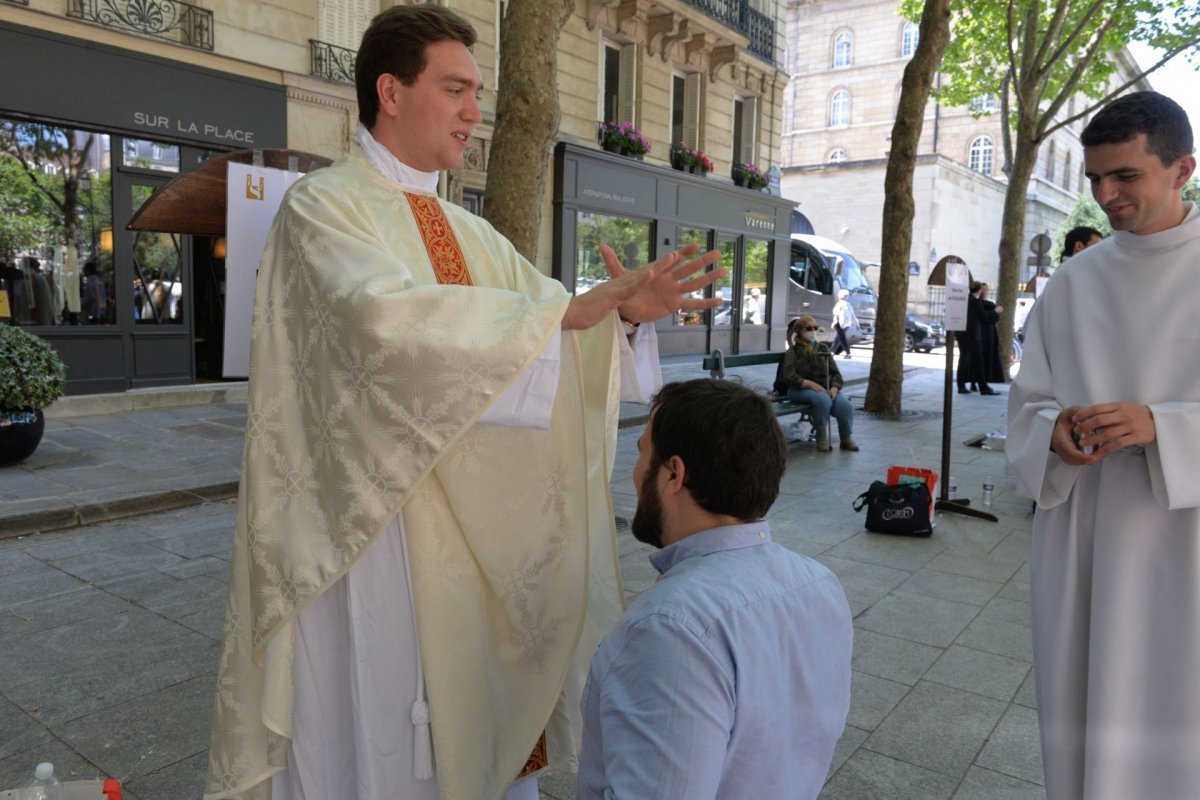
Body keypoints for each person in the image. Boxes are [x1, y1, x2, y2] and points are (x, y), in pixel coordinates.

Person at [204, 7, 724, 800]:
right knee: (375, 719)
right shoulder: (322, 207)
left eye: (477, 92)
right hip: (374, 531)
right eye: (455, 89)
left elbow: (552, 322)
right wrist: (563, 314)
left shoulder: (467, 230)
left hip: (472, 541)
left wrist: (616, 313)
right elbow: (378, 327)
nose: (474, 112)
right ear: (389, 91)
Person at [1007, 90, 1200, 800]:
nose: (1104, 195)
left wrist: (1164, 425)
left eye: (1125, 177)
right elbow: (1026, 405)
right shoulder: (1072, 282)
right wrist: (1052, 433)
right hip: (1083, 540)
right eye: (1094, 179)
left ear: (1183, 169)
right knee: (1085, 725)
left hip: (1184, 551)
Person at [576, 378, 852, 800]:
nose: (632, 475)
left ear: (673, 473)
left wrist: (677, 605)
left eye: (641, 453)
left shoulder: (670, 629)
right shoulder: (818, 582)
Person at [780, 314, 857, 451]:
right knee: (822, 399)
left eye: (815, 328)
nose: (813, 331)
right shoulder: (793, 351)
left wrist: (834, 388)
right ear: (800, 331)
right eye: (809, 328)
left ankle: (846, 438)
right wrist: (809, 383)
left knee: (845, 405)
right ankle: (821, 436)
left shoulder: (822, 349)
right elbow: (789, 375)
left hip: (824, 388)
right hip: (799, 389)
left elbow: (836, 374)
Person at [973, 282, 1003, 389]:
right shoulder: (977, 303)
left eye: (986, 290)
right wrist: (994, 312)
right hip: (980, 333)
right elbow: (986, 316)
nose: (984, 292)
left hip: (989, 334)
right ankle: (976, 382)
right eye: (982, 289)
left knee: (986, 357)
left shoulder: (989, 304)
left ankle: (982, 381)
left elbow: (994, 319)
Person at [830, 287, 857, 358]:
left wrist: (835, 322)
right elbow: (853, 315)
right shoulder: (849, 305)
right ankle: (831, 351)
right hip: (847, 324)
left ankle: (848, 353)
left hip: (840, 324)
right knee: (838, 338)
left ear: (840, 296)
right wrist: (857, 324)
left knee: (841, 338)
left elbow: (835, 313)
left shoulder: (839, 304)